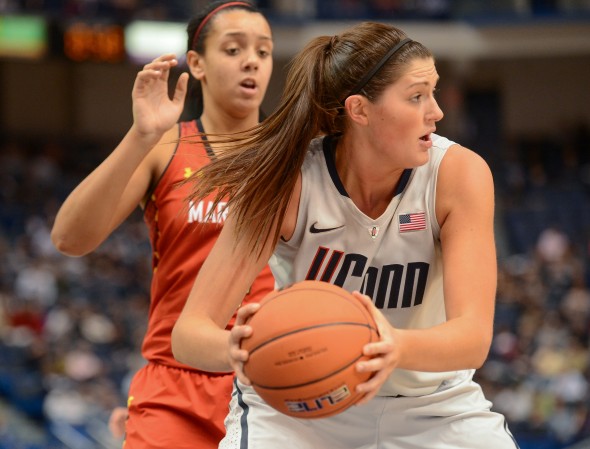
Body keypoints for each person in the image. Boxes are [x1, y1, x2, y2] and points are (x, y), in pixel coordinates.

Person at [171, 21, 521, 449]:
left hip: (431, 405)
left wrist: (393, 345)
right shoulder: (287, 182)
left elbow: (472, 338)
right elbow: (189, 333)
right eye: (416, 96)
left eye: (433, 91)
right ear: (359, 110)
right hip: (301, 407)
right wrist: (239, 348)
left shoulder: (458, 174)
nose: (436, 111)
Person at [50, 1, 275, 448]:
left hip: (270, 380)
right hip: (177, 386)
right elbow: (69, 238)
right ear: (197, 63)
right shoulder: (166, 146)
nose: (252, 60)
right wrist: (141, 136)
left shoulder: (298, 155)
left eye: (264, 52)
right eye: (233, 49)